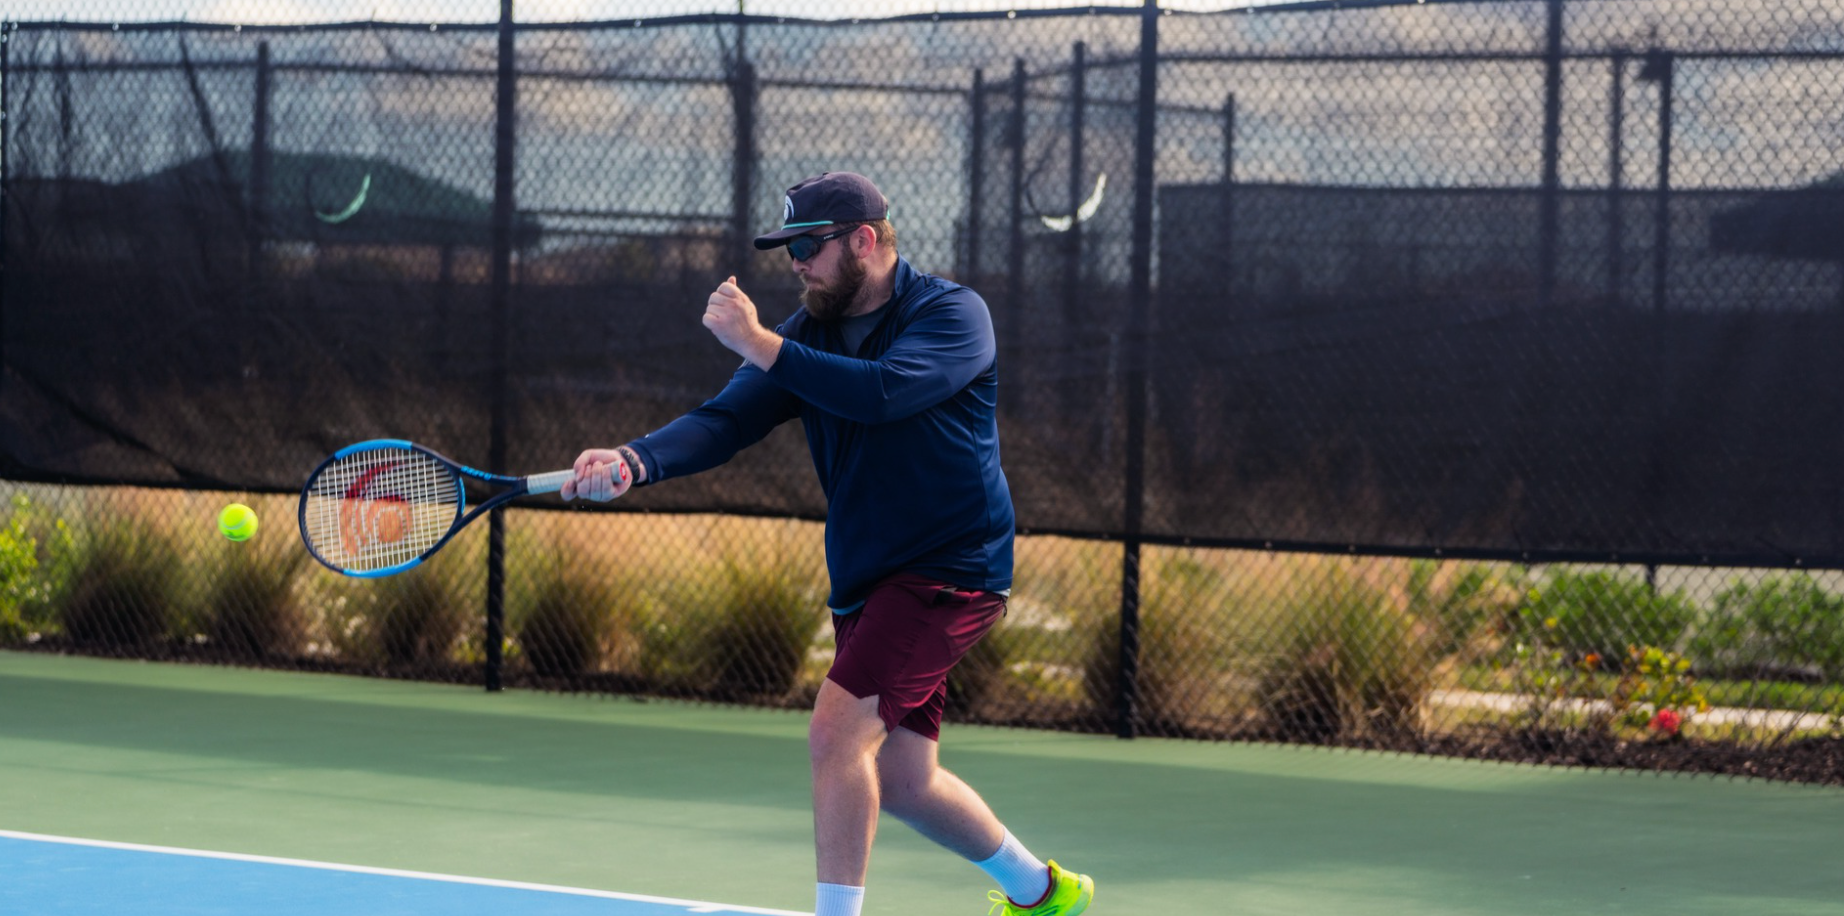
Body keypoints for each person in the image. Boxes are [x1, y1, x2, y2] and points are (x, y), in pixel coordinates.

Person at [560, 172, 1095, 916]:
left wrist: (758, 342)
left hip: (950, 571)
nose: (796, 264)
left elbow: (883, 393)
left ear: (863, 242)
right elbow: (725, 419)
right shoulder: (804, 336)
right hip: (869, 580)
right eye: (787, 250)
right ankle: (1042, 893)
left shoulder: (952, 315)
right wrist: (635, 460)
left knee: (835, 737)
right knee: (907, 784)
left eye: (807, 246)